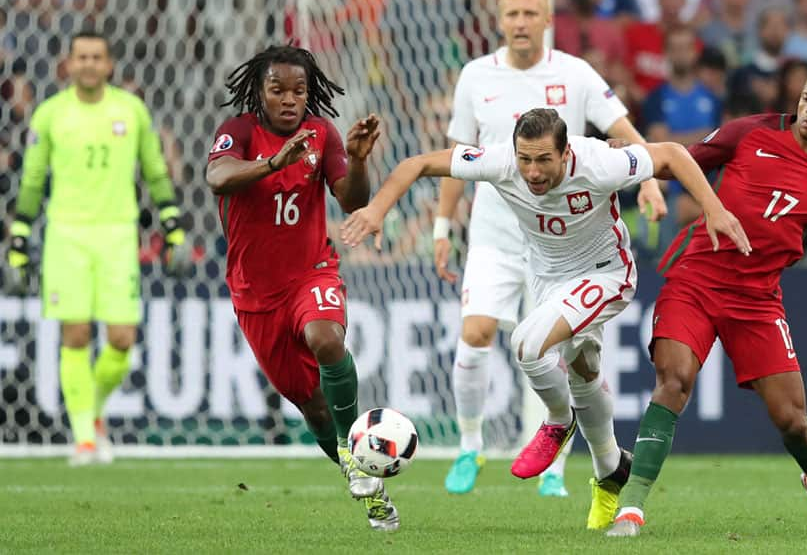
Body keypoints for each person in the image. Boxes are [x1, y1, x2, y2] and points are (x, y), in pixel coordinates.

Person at [341, 108, 750, 530]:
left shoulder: (598, 162)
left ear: (566, 152)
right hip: (547, 279)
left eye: (543, 160)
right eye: (525, 159)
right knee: (583, 370)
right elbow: (418, 163)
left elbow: (672, 156)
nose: (532, 172)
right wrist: (377, 209)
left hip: (606, 273)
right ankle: (610, 467)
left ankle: (558, 420)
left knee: (527, 344)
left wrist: (714, 209)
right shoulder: (500, 160)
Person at [606, 66, 807, 537]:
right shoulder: (752, 132)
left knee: (793, 421)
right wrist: (628, 164)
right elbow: (681, 159)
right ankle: (632, 508)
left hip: (758, 301)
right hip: (697, 280)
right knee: (674, 380)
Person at [435, 0, 667, 498]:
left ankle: (561, 466)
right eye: (512, 13)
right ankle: (470, 445)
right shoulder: (475, 76)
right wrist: (441, 225)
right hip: (495, 231)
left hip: (565, 243)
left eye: (529, 13)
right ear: (500, 19)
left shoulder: (574, 73)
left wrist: (648, 177)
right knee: (476, 333)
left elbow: (622, 126)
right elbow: (454, 155)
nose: (520, 22)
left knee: (567, 356)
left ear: (546, 21)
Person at [204, 45, 397, 531]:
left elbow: (352, 198)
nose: (290, 100)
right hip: (255, 295)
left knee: (326, 337)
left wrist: (355, 160)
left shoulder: (323, 133)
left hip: (313, 272)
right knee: (311, 405)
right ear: (260, 92)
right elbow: (217, 177)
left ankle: (355, 444)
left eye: (299, 90)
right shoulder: (240, 132)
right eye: (278, 90)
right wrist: (271, 164)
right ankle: (365, 479)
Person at [5, 30, 185, 466]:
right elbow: (32, 180)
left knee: (122, 339)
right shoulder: (50, 115)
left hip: (118, 234)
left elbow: (155, 171)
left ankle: (94, 408)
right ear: (68, 64)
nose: (88, 64)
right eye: (81, 56)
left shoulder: (131, 110)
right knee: (76, 334)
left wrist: (172, 223)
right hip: (65, 235)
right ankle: (84, 438)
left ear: (109, 65)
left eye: (96, 57)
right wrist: (20, 235)